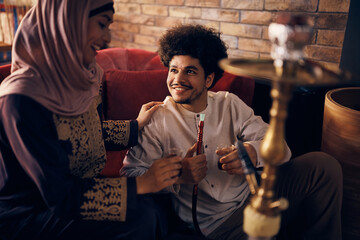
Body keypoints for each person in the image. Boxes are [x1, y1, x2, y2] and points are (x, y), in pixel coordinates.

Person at [120, 24, 343, 240]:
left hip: (255, 195)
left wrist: (253, 153)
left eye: (190, 71)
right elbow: (129, 175)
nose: (177, 79)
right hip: (219, 226)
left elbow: (281, 149)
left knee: (323, 166)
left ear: (208, 79)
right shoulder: (156, 119)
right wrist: (178, 175)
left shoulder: (229, 103)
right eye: (173, 70)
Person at [0, 0, 183, 239]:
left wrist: (136, 125)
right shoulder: (21, 100)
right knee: (142, 217)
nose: (107, 37)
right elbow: (60, 195)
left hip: (75, 194)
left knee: (160, 204)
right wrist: (141, 184)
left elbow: (82, 133)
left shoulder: (81, 76)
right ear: (67, 23)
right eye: (102, 24)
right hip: (31, 212)